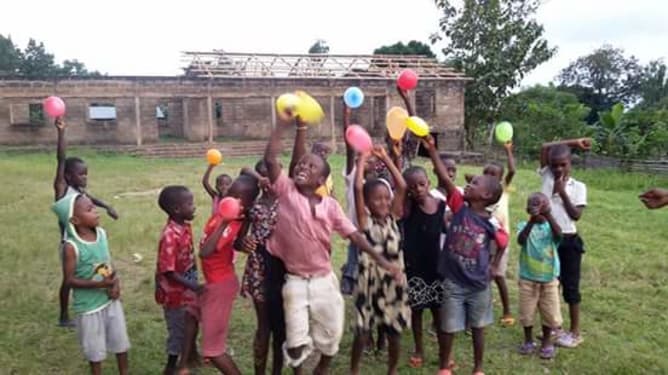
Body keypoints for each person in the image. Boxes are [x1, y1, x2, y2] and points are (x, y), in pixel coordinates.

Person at [263, 117, 401, 374]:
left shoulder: (330, 206)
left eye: (311, 166)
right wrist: (283, 124)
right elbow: (271, 160)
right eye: (301, 164)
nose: (303, 166)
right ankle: (300, 367)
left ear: (321, 181)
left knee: (332, 334)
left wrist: (382, 260)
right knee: (295, 342)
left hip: (324, 280)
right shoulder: (286, 191)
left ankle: (322, 367)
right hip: (294, 281)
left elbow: (355, 236)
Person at [423, 135, 509, 375]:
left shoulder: (491, 223)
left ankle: (478, 368)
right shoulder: (460, 207)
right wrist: (432, 150)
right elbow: (444, 178)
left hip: (479, 284)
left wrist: (494, 265)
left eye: (475, 184)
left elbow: (504, 242)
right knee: (448, 327)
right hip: (453, 281)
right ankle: (444, 366)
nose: (468, 184)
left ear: (486, 196)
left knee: (478, 328)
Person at [349, 146, 410, 375]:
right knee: (362, 331)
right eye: (377, 200)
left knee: (394, 331)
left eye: (386, 198)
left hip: (394, 282)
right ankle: (354, 369)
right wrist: (363, 159)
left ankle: (392, 369)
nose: (383, 203)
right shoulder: (365, 223)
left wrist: (386, 157)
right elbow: (357, 187)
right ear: (366, 203)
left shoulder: (393, 218)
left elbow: (402, 186)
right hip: (369, 282)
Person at [53, 193, 130, 375]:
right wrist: (101, 285)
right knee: (95, 352)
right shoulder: (71, 247)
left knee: (121, 343)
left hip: (110, 302)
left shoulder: (101, 234)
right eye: (89, 210)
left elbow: (108, 264)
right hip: (88, 309)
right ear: (75, 220)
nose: (96, 212)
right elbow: (70, 280)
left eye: (94, 207)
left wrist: (115, 284)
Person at [53, 117, 118, 327]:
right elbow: (61, 159)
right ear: (68, 176)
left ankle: (105, 293)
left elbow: (91, 198)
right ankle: (64, 316)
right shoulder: (62, 190)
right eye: (81, 174)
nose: (85, 178)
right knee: (68, 280)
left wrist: (107, 207)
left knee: (97, 267)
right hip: (70, 244)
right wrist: (61, 132)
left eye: (86, 174)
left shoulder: (80, 192)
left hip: (86, 240)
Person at [197, 175, 260, 375]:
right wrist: (261, 179)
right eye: (229, 191)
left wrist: (224, 222)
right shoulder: (231, 214)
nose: (227, 195)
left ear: (243, 204)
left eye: (234, 195)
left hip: (220, 285)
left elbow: (205, 252)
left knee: (214, 351)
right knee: (191, 312)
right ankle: (185, 362)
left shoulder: (231, 222)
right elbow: (245, 171)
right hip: (216, 283)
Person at [539, 138, 591, 348]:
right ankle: (553, 328)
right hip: (545, 238)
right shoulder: (546, 176)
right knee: (551, 286)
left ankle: (575, 332)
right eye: (555, 165)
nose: (559, 168)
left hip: (568, 241)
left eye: (563, 164)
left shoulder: (578, 186)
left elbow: (576, 215)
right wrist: (575, 142)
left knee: (570, 287)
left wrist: (562, 193)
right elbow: (545, 146)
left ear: (571, 163)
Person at [235, 161, 283, 375]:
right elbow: (238, 239)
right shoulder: (253, 204)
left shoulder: (288, 199)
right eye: (264, 175)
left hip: (283, 267)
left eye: (273, 173)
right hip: (259, 267)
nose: (269, 179)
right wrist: (242, 243)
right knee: (263, 326)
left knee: (281, 328)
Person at [401, 162, 447, 369]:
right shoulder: (408, 208)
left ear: (428, 183)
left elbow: (446, 231)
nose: (417, 189)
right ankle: (419, 347)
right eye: (412, 187)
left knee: (439, 311)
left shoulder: (440, 205)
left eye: (421, 184)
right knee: (417, 310)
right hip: (414, 268)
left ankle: (442, 349)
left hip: (436, 267)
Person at [468, 142, 516, 327]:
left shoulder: (503, 191)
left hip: (500, 240)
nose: (488, 177)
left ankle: (506, 310)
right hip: (481, 239)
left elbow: (512, 171)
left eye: (493, 174)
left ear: (501, 178)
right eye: (485, 173)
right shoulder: (480, 193)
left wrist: (508, 151)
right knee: (481, 273)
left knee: (498, 275)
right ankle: (480, 310)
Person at [155, 186, 202, 375]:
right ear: (176, 209)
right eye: (189, 204)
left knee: (192, 320)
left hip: (187, 286)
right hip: (174, 294)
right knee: (177, 330)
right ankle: (171, 366)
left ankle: (191, 355)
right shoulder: (170, 236)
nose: (194, 207)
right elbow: (168, 272)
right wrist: (194, 286)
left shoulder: (184, 227)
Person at [517, 193, 563, 359]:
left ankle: (546, 341)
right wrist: (531, 221)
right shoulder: (524, 225)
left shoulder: (551, 228)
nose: (538, 209)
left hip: (549, 279)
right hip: (527, 278)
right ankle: (528, 340)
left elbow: (560, 235)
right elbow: (521, 240)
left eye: (541, 205)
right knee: (526, 313)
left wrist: (548, 214)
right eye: (533, 205)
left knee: (549, 313)